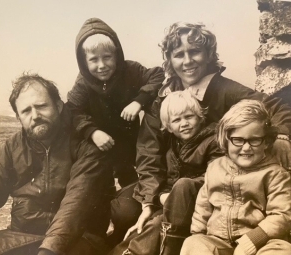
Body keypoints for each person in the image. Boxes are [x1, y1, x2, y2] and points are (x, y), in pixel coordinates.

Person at [132, 22, 291, 241]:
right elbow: (148, 152)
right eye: (179, 54)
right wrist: (149, 201)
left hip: (211, 187)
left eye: (195, 52)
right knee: (124, 211)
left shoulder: (225, 89)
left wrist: (281, 134)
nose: (188, 61)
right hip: (167, 187)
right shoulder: (163, 97)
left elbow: (275, 107)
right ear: (169, 60)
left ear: (209, 55)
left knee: (160, 226)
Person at [0, 74, 114, 255]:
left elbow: (75, 206)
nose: (35, 116)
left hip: (78, 239)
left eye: (42, 106)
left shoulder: (86, 145)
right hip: (21, 237)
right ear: (18, 118)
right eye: (26, 111)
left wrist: (48, 251)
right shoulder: (12, 148)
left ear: (59, 106)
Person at [109, 90, 223, 255]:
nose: (184, 123)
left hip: (196, 204)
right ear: (168, 126)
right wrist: (159, 195)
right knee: (141, 226)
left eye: (189, 117)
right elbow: (160, 172)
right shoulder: (172, 142)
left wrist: (172, 194)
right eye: (176, 120)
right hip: (167, 201)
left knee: (157, 225)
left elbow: (214, 176)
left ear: (200, 117)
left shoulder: (212, 140)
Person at [181, 99, 291, 255]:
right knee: (194, 244)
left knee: (282, 251)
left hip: (262, 243)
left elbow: (281, 216)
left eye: (254, 140)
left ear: (266, 142)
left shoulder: (275, 174)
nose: (246, 147)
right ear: (226, 141)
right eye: (238, 140)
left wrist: (252, 240)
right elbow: (203, 206)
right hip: (220, 242)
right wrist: (197, 233)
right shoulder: (215, 168)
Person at [67, 17, 165, 188]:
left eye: (107, 57)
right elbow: (74, 110)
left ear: (117, 55)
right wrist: (92, 132)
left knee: (133, 179)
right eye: (93, 60)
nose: (102, 65)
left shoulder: (130, 70)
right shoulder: (83, 83)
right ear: (84, 61)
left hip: (129, 137)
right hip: (100, 141)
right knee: (102, 182)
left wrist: (138, 102)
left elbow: (158, 75)